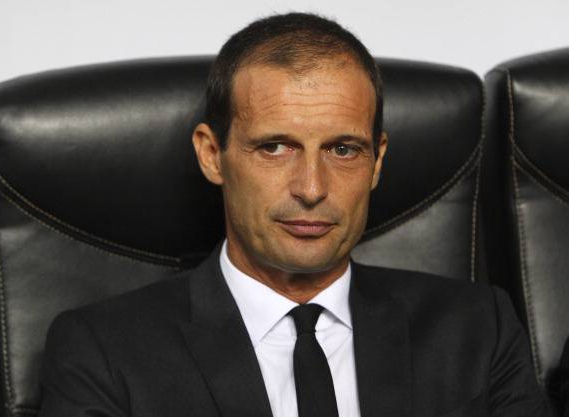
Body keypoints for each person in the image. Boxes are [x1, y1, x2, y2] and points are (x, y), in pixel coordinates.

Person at [38, 12, 549, 417]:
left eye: (343, 150)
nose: (311, 189)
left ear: (377, 161)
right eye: (275, 147)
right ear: (212, 154)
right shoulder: (102, 351)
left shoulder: (478, 328)